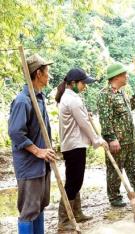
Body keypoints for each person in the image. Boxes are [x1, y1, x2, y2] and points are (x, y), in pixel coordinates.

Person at [8, 54, 56, 234]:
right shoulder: (23, 100)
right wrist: (38, 151)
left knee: (40, 205)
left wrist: (47, 152)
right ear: (38, 73)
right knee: (29, 210)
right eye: (47, 71)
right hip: (29, 166)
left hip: (42, 165)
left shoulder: (39, 98)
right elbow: (15, 133)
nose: (49, 75)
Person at [55, 68, 108, 231]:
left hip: (73, 145)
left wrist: (87, 115)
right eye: (83, 83)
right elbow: (83, 124)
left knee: (75, 180)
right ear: (73, 83)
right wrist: (97, 140)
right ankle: (64, 220)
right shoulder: (72, 100)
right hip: (74, 145)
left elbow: (82, 118)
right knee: (73, 182)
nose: (85, 86)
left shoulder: (70, 97)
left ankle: (76, 212)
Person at [97, 62, 135, 207]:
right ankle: (115, 197)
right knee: (115, 170)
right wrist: (111, 138)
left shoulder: (122, 92)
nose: (127, 76)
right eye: (125, 74)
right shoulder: (105, 95)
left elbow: (129, 107)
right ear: (117, 77)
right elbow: (105, 119)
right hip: (117, 140)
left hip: (129, 138)